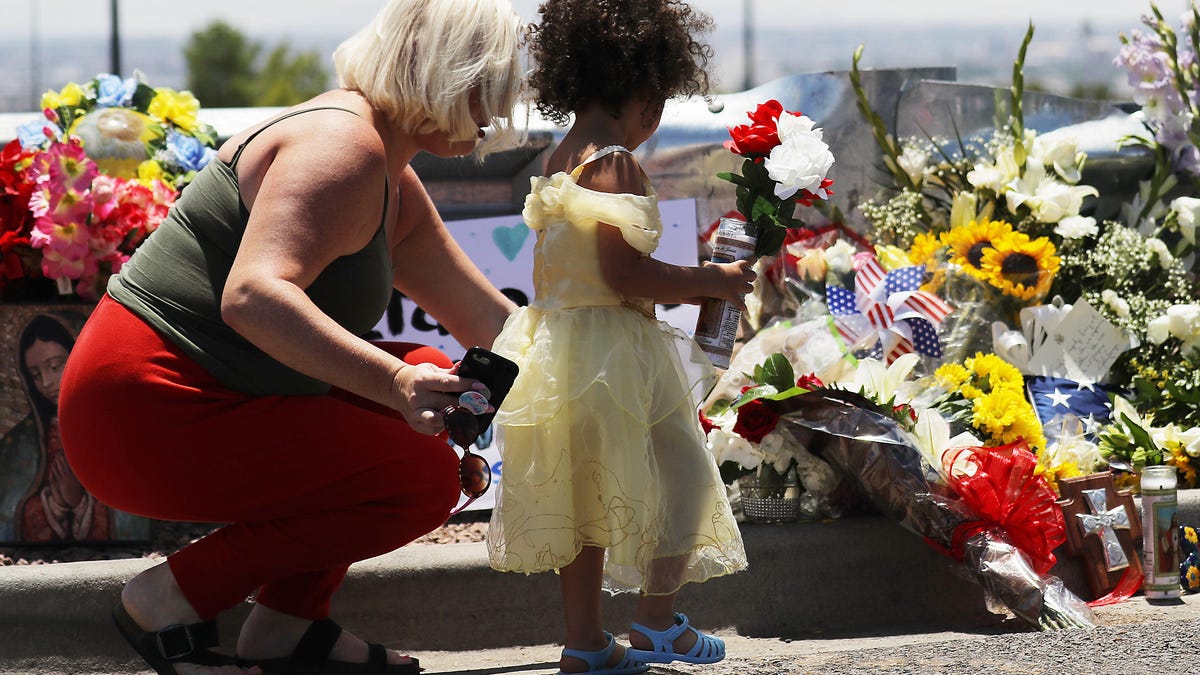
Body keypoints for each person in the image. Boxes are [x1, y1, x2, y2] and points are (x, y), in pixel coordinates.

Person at [57, 0, 524, 673]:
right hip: (143, 409)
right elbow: (252, 297)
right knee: (423, 472)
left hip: (191, 395)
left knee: (428, 373)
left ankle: (288, 628)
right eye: (491, 86)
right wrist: (394, 385)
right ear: (442, 72)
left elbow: (497, 325)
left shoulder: (388, 169)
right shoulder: (345, 148)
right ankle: (166, 599)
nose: (498, 113)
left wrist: (632, 381)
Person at [484, 1, 751, 673]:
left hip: (558, 346)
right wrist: (710, 281)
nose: (653, 123)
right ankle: (657, 621)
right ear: (644, 90)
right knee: (685, 478)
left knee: (584, 498)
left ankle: (585, 644)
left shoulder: (560, 153)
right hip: (613, 353)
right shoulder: (615, 162)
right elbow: (622, 271)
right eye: (655, 105)